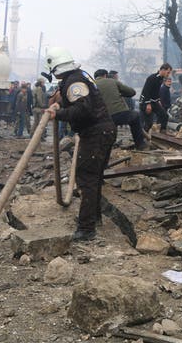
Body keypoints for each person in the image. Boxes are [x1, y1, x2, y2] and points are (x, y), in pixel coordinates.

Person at [44, 47, 115, 241]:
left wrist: (57, 114)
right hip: (103, 130)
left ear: (56, 68)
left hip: (95, 133)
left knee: (87, 179)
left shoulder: (74, 82)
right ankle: (94, 219)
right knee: (95, 177)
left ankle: (86, 229)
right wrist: (61, 103)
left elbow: (84, 109)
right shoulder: (79, 76)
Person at [94, 69, 148, 150]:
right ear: (105, 75)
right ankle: (140, 145)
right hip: (120, 114)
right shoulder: (112, 81)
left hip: (103, 118)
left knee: (108, 129)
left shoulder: (92, 85)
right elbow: (132, 92)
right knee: (135, 116)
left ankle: (107, 146)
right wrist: (120, 93)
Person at [140, 63, 172, 133]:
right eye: (168, 72)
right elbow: (146, 91)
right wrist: (148, 104)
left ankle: (162, 133)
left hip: (154, 102)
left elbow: (156, 92)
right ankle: (143, 138)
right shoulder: (152, 78)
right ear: (163, 70)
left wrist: (158, 100)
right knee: (148, 123)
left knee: (164, 115)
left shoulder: (161, 79)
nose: (168, 74)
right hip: (145, 102)